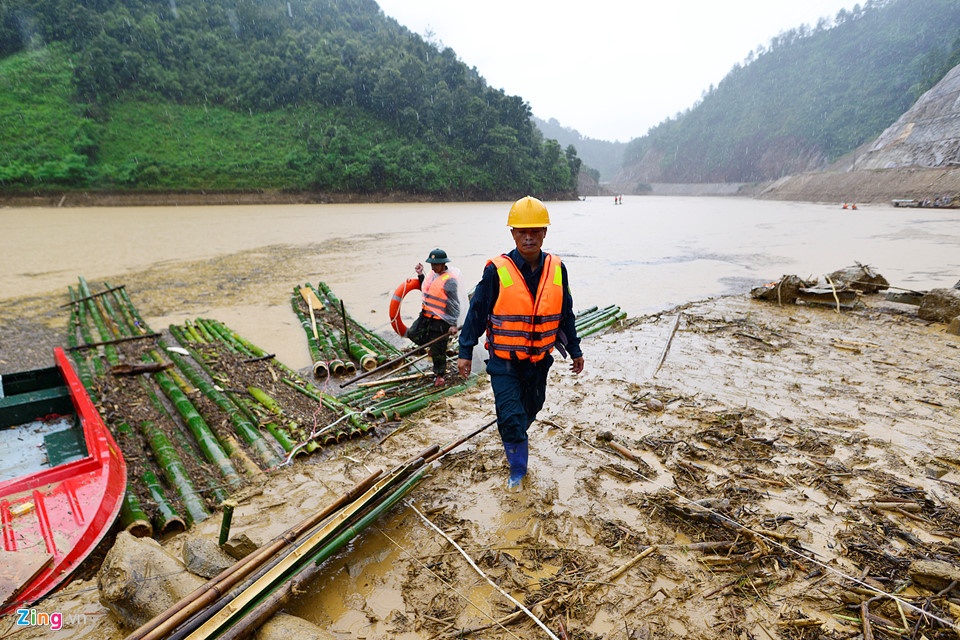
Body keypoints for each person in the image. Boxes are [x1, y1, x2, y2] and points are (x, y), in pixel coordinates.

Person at [457, 196, 584, 490]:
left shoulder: (557, 269)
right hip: (504, 362)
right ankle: (517, 473)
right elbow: (477, 312)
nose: (529, 237)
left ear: (544, 233)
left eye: (536, 231)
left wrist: (575, 350)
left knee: (533, 407)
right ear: (512, 233)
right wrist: (465, 351)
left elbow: (566, 313)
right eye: (522, 231)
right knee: (512, 417)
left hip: (540, 361)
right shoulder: (496, 271)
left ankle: (513, 435)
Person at [412, 248, 460, 386]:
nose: (433, 267)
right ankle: (431, 348)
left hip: (441, 321)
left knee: (439, 349)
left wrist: (453, 324)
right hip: (426, 316)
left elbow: (454, 304)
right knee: (413, 333)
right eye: (431, 264)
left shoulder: (450, 281)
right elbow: (426, 289)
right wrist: (421, 275)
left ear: (443, 264)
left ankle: (440, 376)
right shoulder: (432, 275)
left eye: (436, 264)